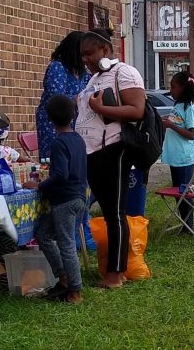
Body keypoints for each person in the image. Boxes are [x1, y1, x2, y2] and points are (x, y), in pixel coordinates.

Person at [75, 28, 145, 290]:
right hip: (93, 151)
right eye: (82, 55)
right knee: (108, 213)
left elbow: (137, 110)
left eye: (89, 53)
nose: (85, 59)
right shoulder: (95, 77)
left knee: (115, 213)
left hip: (114, 149)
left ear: (105, 50)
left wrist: (100, 108)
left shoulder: (123, 72)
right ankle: (117, 269)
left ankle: (116, 274)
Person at [24, 94, 88, 304]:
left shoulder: (59, 143)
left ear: (50, 119)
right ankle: (63, 278)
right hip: (79, 197)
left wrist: (40, 185)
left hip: (65, 200)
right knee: (43, 234)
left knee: (66, 243)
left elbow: (60, 174)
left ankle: (75, 290)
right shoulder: (78, 139)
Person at [36, 31, 90, 160]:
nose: (85, 58)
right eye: (82, 53)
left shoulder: (83, 73)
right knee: (57, 158)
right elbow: (56, 98)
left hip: (77, 123)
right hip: (55, 122)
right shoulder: (58, 67)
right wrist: (76, 99)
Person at [161, 71, 194, 234]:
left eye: (174, 87)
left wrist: (171, 126)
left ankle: (188, 226)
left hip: (185, 158)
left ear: (183, 88)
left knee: (184, 193)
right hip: (176, 157)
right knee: (178, 192)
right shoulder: (177, 106)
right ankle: (184, 223)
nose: (171, 90)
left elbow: (191, 134)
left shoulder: (189, 108)